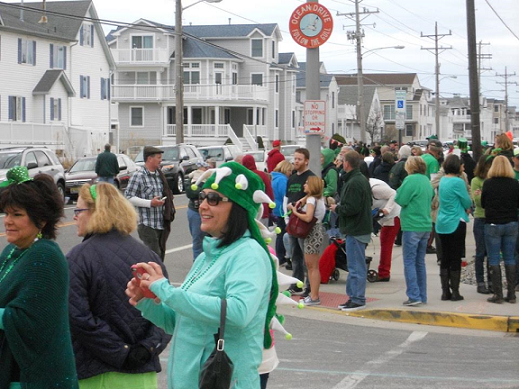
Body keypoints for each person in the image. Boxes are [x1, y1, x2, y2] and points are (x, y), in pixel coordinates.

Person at [126, 162, 278, 389]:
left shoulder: (248, 254)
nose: (203, 206)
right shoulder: (208, 254)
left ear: (238, 207)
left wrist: (166, 290)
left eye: (214, 199)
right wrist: (147, 300)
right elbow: (179, 321)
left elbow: (238, 312)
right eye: (202, 197)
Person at [67, 183, 171, 387]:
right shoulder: (149, 255)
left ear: (96, 212)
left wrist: (121, 353)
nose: (74, 216)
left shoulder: (78, 258)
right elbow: (167, 311)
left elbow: (78, 318)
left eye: (79, 210)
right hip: (143, 375)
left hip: (97, 375)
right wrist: (146, 349)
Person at [0, 167, 78, 388]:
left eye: (17, 215)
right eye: (6, 213)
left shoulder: (45, 256)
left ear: (41, 221)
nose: (7, 221)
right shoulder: (12, 252)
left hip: (34, 377)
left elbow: (30, 321)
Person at [330, 151, 372, 311]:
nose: (340, 163)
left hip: (356, 229)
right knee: (355, 265)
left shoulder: (355, 182)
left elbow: (352, 208)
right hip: (358, 228)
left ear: (347, 163)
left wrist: (337, 208)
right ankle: (353, 297)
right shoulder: (358, 179)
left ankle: (358, 299)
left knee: (356, 266)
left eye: (342, 160)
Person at [395, 157, 435, 306]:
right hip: (425, 224)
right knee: (420, 262)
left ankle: (413, 295)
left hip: (412, 224)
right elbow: (432, 197)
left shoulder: (410, 180)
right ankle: (422, 295)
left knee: (409, 261)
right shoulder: (426, 181)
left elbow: (400, 199)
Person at [125, 146, 174, 260]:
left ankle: (156, 276)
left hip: (160, 222)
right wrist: (150, 203)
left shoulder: (159, 175)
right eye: (158, 157)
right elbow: (128, 197)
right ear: (149, 159)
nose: (160, 160)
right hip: (147, 223)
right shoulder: (139, 176)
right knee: (154, 257)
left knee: (160, 256)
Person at [481, 155, 519, 304]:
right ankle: (511, 293)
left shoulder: (488, 183)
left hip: (493, 224)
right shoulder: (515, 183)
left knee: (494, 258)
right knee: (510, 257)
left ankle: (498, 294)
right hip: (511, 223)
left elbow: (483, 203)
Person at [435, 155, 473, 301]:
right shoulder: (458, 182)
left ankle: (445, 291)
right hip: (456, 221)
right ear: (457, 166)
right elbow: (466, 201)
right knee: (455, 257)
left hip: (442, 222)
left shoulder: (443, 180)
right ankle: (455, 291)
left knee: (444, 257)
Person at [288, 176, 326, 306]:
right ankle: (313, 295)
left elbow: (308, 217)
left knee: (311, 267)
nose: (304, 185)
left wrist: (295, 211)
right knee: (312, 266)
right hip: (317, 231)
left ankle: (314, 296)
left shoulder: (311, 200)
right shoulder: (317, 198)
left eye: (306, 183)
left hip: (311, 233)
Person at [284, 148, 315, 295]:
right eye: (295, 158)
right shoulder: (292, 178)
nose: (296, 161)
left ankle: (309, 287)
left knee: (306, 257)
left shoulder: (311, 178)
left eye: (299, 159)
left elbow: (314, 197)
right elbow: (287, 197)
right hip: (291, 220)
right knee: (294, 255)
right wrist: (286, 215)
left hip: (303, 222)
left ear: (306, 160)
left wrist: (298, 205)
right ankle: (296, 283)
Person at [366, 174, 401, 282]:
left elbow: (394, 194)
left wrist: (387, 209)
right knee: (385, 243)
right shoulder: (369, 184)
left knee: (386, 244)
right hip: (386, 217)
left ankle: (384, 273)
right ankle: (384, 271)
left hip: (392, 216)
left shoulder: (375, 188)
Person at [471, 155, 494, 294]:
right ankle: (480, 282)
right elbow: (478, 201)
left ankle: (491, 280)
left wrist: (484, 194)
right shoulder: (476, 181)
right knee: (480, 252)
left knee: (492, 253)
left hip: (492, 219)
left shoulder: (492, 181)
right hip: (480, 218)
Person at [186, 161, 211, 260]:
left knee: (210, 239)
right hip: (195, 211)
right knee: (198, 241)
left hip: (209, 211)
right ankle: (197, 265)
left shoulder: (212, 178)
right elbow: (190, 193)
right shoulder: (192, 178)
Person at [242, 154, 274, 227]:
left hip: (247, 210)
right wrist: (270, 209)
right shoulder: (262, 175)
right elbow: (269, 192)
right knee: (263, 235)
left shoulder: (242, 176)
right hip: (263, 209)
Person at [271, 160, 293, 266]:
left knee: (279, 233)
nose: (290, 173)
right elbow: (286, 195)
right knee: (283, 234)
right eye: (290, 170)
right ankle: (281, 256)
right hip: (281, 210)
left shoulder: (273, 177)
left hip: (274, 208)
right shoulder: (283, 180)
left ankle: (279, 255)